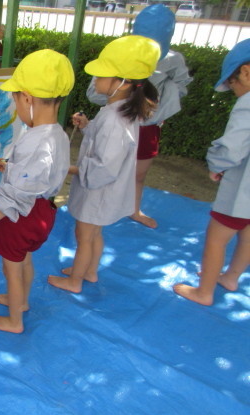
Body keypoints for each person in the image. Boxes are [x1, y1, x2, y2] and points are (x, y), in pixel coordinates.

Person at [48, 35, 160, 294]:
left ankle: (75, 281)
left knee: (84, 236)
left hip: (99, 191)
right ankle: (89, 271)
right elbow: (103, 143)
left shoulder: (115, 118)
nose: (95, 79)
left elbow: (105, 166)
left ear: (122, 82)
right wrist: (88, 126)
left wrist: (69, 169)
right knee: (94, 234)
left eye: (101, 75)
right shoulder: (117, 110)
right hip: (102, 189)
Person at [0, 49, 74, 333]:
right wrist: (10, 168)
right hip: (43, 212)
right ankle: (21, 301)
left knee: (12, 268)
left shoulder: (35, 141)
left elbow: (19, 193)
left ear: (28, 99)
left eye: (16, 99)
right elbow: (39, 177)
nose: (17, 105)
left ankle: (15, 321)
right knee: (25, 260)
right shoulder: (57, 134)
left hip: (22, 215)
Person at [86, 4, 192, 229]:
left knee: (138, 174)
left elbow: (180, 85)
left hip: (147, 127)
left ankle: (133, 209)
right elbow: (96, 90)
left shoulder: (173, 59)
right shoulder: (121, 54)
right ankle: (102, 209)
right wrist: (119, 100)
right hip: (119, 119)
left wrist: (155, 108)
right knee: (107, 168)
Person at [173, 39, 250, 305]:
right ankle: (231, 277)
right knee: (247, 233)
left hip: (241, 191)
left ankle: (204, 292)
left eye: (232, 84)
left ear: (246, 72)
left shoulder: (248, 104)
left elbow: (233, 147)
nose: (233, 91)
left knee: (217, 238)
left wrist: (216, 165)